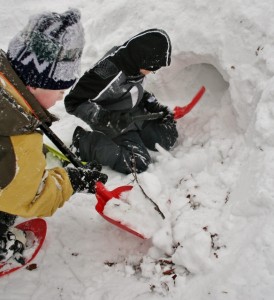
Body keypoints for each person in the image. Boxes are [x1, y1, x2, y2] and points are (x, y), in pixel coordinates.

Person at [0, 9, 107, 264]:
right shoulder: (17, 137)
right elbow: (32, 198)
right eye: (60, 89)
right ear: (35, 83)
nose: (61, 96)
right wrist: (71, 181)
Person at [65, 28, 178, 174]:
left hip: (132, 112)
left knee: (166, 138)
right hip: (111, 120)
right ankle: (83, 144)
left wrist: (150, 103)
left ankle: (139, 131)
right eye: (152, 68)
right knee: (138, 162)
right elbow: (73, 101)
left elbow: (129, 89)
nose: (152, 72)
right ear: (142, 60)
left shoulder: (134, 64)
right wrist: (106, 118)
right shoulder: (106, 72)